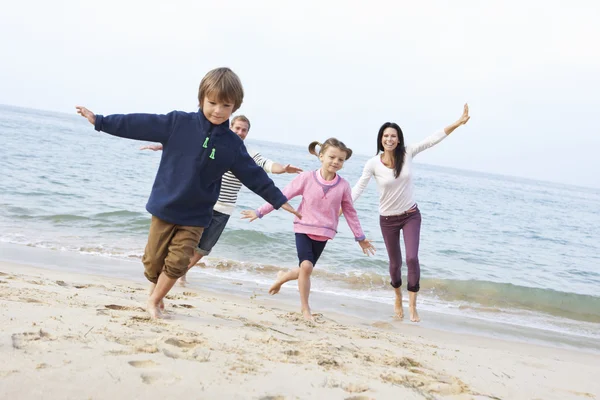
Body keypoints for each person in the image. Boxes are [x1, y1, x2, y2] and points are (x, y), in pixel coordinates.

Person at [75, 67, 300, 319]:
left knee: (178, 261)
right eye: (212, 103)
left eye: (225, 105)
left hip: (197, 215)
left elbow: (254, 176)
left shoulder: (232, 144)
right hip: (166, 206)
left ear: (234, 107)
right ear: (201, 99)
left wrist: (280, 200)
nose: (217, 110)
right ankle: (155, 292)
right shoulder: (178, 123)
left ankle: (155, 300)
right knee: (152, 261)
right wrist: (101, 121)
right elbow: (138, 123)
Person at [140, 115, 302, 286]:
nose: (240, 132)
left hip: (224, 209)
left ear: (247, 133)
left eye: (244, 130)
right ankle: (169, 274)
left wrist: (282, 169)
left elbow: (268, 165)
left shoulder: (248, 154)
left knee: (203, 249)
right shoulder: (216, 144)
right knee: (182, 242)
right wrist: (162, 146)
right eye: (237, 128)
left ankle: (180, 274)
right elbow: (189, 148)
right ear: (230, 127)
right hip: (202, 204)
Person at [350, 104, 470, 322]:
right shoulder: (373, 164)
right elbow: (358, 188)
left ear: (399, 139)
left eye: (393, 136)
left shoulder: (407, 153)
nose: (389, 139)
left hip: (410, 215)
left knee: (412, 258)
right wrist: (342, 205)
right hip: (387, 220)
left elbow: (433, 138)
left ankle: (413, 305)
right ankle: (397, 297)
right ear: (381, 139)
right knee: (395, 264)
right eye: (386, 136)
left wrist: (458, 123)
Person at [242, 138, 375, 321]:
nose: (336, 162)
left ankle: (283, 276)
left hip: (324, 233)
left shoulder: (343, 186)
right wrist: (260, 212)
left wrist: (360, 237)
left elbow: (350, 212)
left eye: (341, 160)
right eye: (332, 157)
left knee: (306, 269)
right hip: (303, 228)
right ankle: (306, 309)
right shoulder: (306, 178)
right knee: (306, 266)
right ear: (321, 156)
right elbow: (282, 196)